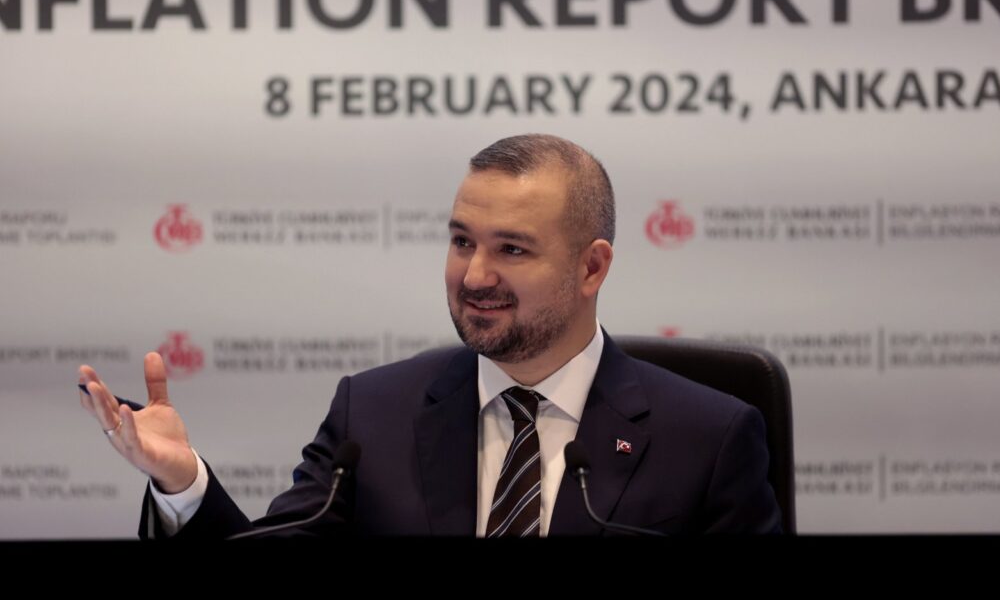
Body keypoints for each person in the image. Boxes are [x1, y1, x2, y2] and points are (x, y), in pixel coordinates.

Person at [78, 133, 781, 537]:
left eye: (512, 249)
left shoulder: (710, 438)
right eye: (460, 241)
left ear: (591, 266)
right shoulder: (374, 414)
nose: (474, 275)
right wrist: (183, 482)